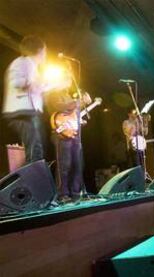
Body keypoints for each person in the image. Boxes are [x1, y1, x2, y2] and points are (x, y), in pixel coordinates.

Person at [2, 35, 68, 163]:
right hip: (21, 112)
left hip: (28, 112)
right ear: (40, 50)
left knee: (38, 147)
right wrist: (29, 84)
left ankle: (34, 176)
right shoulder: (22, 62)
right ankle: (33, 179)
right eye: (45, 51)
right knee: (35, 149)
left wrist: (57, 84)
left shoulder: (32, 67)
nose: (45, 54)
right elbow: (16, 81)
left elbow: (39, 87)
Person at [46, 74, 92, 203]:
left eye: (69, 80)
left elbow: (72, 113)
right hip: (61, 133)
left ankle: (76, 193)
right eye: (65, 80)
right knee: (64, 165)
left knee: (78, 163)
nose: (68, 82)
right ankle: (62, 194)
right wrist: (78, 102)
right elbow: (61, 107)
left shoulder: (68, 96)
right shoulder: (53, 93)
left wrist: (78, 119)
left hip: (73, 133)